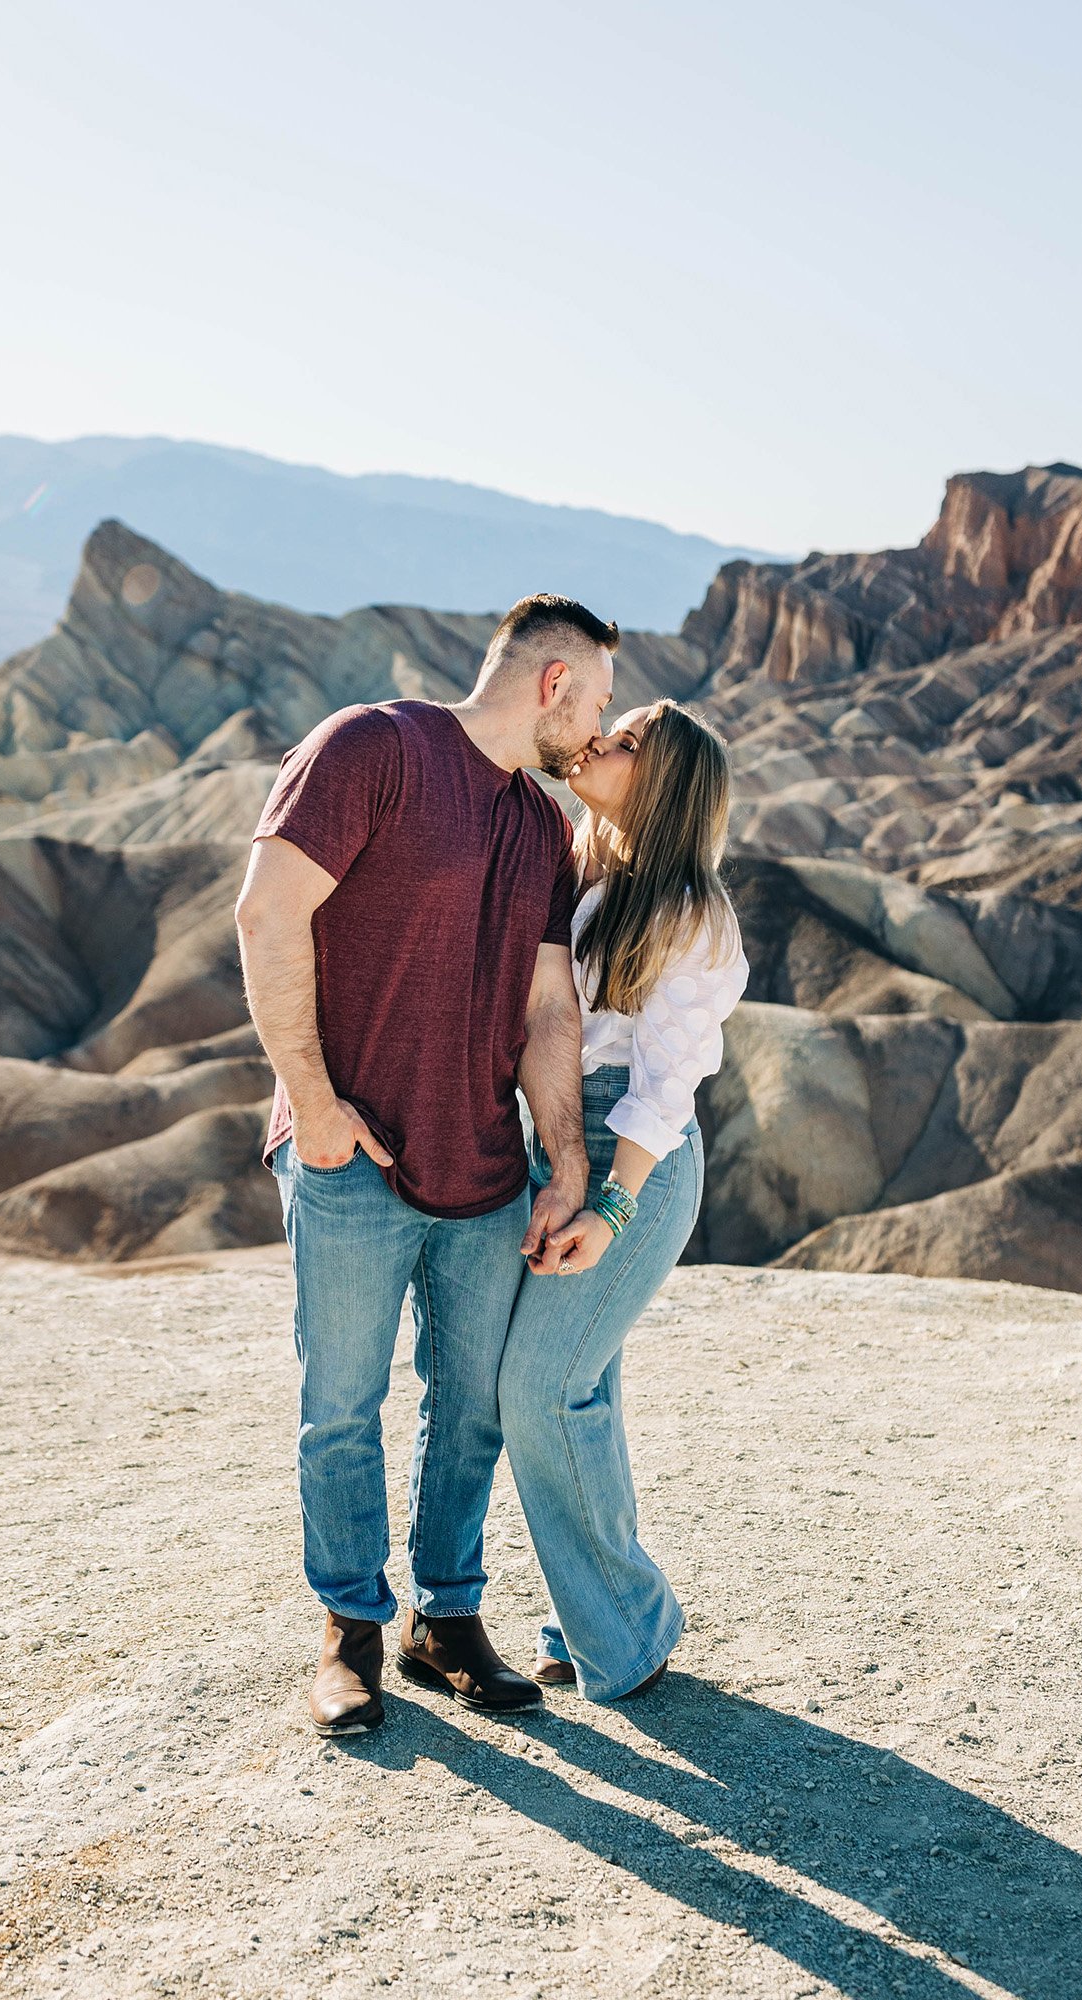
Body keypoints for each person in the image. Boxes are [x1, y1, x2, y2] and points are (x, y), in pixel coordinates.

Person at [234, 595, 619, 1736]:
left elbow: (549, 1004)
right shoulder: (372, 747)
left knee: (471, 1410)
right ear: (553, 682)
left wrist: (563, 1156)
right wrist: (313, 1103)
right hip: (351, 1159)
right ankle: (349, 1630)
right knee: (340, 1407)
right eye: (594, 700)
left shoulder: (542, 826)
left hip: (484, 1166)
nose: (595, 729)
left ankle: (444, 1619)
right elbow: (266, 914)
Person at [498, 698, 749, 1702]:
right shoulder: (584, 870)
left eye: (632, 739)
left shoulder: (692, 912)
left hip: (630, 1159)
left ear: (668, 783)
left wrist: (610, 1207)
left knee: (543, 1387)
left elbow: (664, 1084)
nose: (606, 738)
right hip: (554, 1135)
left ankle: (629, 1628)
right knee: (578, 1386)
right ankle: (584, 1607)